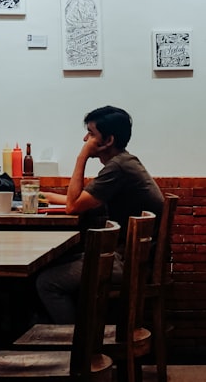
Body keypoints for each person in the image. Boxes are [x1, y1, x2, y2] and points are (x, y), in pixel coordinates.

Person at [36, 105, 164, 323]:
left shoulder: (118, 168)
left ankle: (73, 347)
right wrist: (42, 196)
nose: (85, 139)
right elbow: (81, 200)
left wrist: (82, 157)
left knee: (47, 282)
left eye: (91, 134)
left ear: (108, 140)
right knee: (52, 264)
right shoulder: (124, 163)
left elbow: (73, 207)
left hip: (129, 263)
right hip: (134, 257)